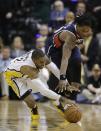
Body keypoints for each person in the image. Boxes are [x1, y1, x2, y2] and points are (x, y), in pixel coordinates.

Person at [4, 49, 66, 119]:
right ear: (34, 60)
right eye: (41, 62)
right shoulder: (28, 68)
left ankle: (60, 107)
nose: (43, 64)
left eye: (44, 62)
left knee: (46, 89)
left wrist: (64, 80)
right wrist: (62, 98)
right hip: (14, 77)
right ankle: (34, 110)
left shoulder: (40, 56)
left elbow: (53, 68)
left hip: (25, 72)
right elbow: (43, 91)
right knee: (31, 101)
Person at [46, 13, 96, 94]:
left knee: (77, 59)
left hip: (68, 44)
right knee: (58, 72)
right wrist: (62, 78)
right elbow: (65, 58)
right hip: (54, 48)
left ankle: (75, 85)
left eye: (87, 31)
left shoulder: (82, 26)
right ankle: (55, 90)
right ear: (78, 26)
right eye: (83, 31)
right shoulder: (71, 36)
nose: (85, 33)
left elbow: (80, 39)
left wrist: (79, 42)